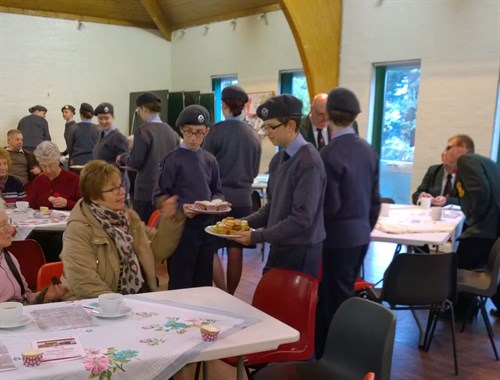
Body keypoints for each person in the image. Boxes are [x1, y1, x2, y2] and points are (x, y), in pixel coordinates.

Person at [315, 87, 381, 358]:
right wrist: (364, 228)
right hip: (360, 235)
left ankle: (336, 356)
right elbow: (375, 200)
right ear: (355, 116)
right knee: (342, 292)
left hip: (336, 238)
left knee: (333, 299)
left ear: (328, 115)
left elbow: (330, 206)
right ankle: (334, 350)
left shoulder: (329, 154)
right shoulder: (368, 150)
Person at [229, 94, 326, 278]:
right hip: (280, 245)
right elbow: (272, 208)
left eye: (272, 127)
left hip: (301, 251)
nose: (267, 133)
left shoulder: (309, 162)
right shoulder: (278, 160)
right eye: (265, 127)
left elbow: (301, 219)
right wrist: (242, 223)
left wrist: (257, 236)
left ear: (291, 125)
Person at [60, 160, 183, 300]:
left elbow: (159, 249)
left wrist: (170, 218)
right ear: (94, 197)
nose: (122, 192)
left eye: (121, 185)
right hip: (96, 304)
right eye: (113, 189)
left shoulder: (127, 217)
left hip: (134, 298)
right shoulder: (79, 228)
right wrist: (120, 305)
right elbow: (85, 282)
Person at [153, 105, 223, 290]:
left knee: (203, 281)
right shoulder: (172, 159)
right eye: (189, 132)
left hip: (207, 228)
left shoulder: (209, 160)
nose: (193, 138)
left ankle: (201, 318)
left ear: (206, 131)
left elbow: (217, 190)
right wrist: (179, 207)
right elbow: (159, 195)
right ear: (181, 130)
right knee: (181, 281)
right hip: (182, 229)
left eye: (199, 133)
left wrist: (216, 202)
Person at [203, 85, 261, 294]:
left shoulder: (216, 132)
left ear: (224, 106)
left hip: (219, 200)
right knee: (236, 249)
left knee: (210, 248)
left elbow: (205, 166)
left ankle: (221, 291)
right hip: (244, 199)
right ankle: (232, 294)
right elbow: (254, 170)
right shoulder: (253, 134)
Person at [444, 134, 500, 317]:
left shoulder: (466, 161)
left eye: (449, 147)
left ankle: (460, 312)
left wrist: (474, 221)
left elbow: (480, 192)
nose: (445, 152)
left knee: (460, 263)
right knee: (486, 265)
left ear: (463, 147)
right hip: (494, 226)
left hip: (487, 227)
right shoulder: (482, 161)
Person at [118, 92, 180, 223]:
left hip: (146, 192)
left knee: (144, 232)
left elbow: (135, 162)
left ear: (144, 109)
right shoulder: (172, 132)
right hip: (165, 192)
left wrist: (122, 158)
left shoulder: (143, 131)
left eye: (139, 110)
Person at [0, 204, 67, 304]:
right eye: (3, 225)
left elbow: (25, 297)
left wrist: (45, 296)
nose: (11, 230)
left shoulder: (7, 257)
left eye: (9, 223)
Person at [29, 141, 80, 210]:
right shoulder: (38, 180)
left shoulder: (75, 180)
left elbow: (84, 207)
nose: (47, 170)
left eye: (51, 165)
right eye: (43, 166)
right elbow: (32, 206)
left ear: (58, 161)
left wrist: (67, 203)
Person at [92, 102, 130, 195]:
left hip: (115, 185)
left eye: (106, 118)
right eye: (100, 118)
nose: (103, 121)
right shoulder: (102, 135)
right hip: (104, 182)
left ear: (113, 117)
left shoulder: (118, 137)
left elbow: (123, 164)